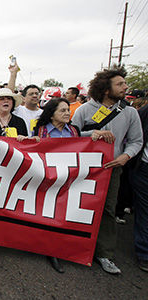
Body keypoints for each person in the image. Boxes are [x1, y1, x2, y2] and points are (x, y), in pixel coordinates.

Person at [72, 66, 143, 275]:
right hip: (84, 168)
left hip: (111, 170)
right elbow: (72, 135)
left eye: (124, 83)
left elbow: (136, 141)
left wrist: (126, 156)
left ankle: (105, 253)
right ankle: (75, 246)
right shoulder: (84, 110)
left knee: (108, 210)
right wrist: (91, 134)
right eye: (119, 84)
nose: (125, 87)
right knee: (78, 206)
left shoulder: (129, 112)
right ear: (105, 89)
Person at [32, 98, 80, 273]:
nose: (67, 113)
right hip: (48, 178)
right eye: (62, 110)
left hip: (70, 178)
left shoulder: (74, 131)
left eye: (68, 110)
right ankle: (50, 249)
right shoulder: (41, 130)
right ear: (51, 115)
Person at [131, 102, 148, 272]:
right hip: (144, 168)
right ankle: (144, 252)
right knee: (145, 211)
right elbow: (136, 140)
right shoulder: (143, 113)